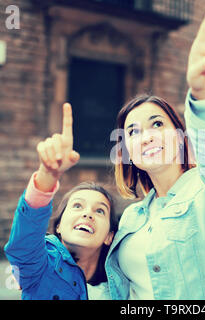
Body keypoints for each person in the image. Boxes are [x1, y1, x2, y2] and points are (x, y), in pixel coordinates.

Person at [105, 6, 205, 300]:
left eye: (157, 123)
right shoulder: (131, 218)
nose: (146, 136)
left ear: (181, 136)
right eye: (132, 131)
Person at [4, 103, 117, 300]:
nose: (87, 213)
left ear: (109, 235)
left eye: (100, 211)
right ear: (58, 227)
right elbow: (23, 247)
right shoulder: (38, 269)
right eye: (77, 205)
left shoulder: (121, 287)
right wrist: (47, 176)